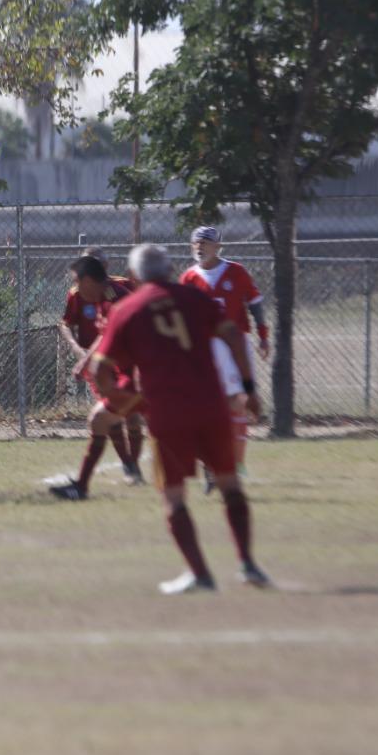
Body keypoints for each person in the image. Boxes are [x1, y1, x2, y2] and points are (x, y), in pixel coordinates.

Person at [91, 244, 271, 594]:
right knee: (230, 484)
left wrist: (122, 400)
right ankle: (248, 564)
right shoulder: (195, 297)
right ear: (171, 269)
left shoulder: (127, 308)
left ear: (134, 276)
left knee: (174, 496)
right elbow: (233, 335)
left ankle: (200, 574)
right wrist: (248, 388)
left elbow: (100, 370)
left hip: (168, 413)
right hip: (213, 406)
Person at [50, 253, 143, 500]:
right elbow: (102, 335)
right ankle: (85, 485)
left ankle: (215, 466)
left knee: (157, 423)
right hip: (119, 371)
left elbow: (107, 336)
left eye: (78, 281)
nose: (76, 288)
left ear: (89, 279)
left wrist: (85, 360)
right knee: (102, 420)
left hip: (142, 373)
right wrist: (86, 358)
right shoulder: (98, 299)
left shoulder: (116, 297)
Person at [179, 226, 268, 480]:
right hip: (203, 349)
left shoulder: (236, 272)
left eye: (206, 243)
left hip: (234, 347)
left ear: (218, 247)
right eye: (196, 243)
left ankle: (237, 463)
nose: (200, 247)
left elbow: (255, 303)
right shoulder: (188, 278)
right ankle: (209, 459)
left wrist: (263, 335)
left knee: (237, 404)